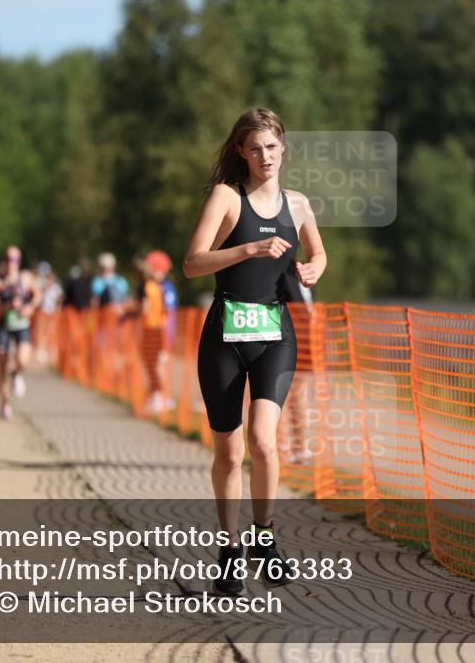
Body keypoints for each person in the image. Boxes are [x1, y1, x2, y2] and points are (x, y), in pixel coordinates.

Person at [183, 107, 325, 595]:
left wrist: (313, 269)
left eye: (272, 146)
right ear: (241, 153)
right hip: (225, 332)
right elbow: (192, 263)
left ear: (283, 147)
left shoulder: (299, 204)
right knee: (228, 450)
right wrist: (248, 249)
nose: (265, 156)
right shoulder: (226, 197)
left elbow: (319, 252)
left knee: (264, 441)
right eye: (255, 148)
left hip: (274, 331)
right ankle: (229, 550)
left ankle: (264, 538)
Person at [0, 246, 41, 419]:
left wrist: (30, 307)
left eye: (15, 260)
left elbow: (37, 295)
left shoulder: (25, 278)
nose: (12, 264)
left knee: (22, 359)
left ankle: (17, 374)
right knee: (2, 365)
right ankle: (4, 403)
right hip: (4, 326)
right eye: (8, 259)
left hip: (22, 325)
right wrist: (7, 307)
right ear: (3, 261)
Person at [138, 250, 177, 414]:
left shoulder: (165, 287)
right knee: (150, 364)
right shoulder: (153, 285)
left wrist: (165, 335)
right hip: (150, 331)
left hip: (160, 333)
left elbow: (168, 313)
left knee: (158, 365)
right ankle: (155, 394)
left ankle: (162, 396)